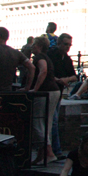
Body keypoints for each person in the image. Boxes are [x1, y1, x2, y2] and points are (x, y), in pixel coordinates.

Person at [28, 36, 61, 164]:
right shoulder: (47, 57)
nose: (32, 46)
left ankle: (49, 152)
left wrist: (35, 89)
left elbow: (43, 70)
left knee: (37, 122)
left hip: (45, 92)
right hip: (54, 91)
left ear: (40, 46)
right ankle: (42, 156)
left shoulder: (39, 58)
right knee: (46, 123)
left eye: (34, 44)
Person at [48, 34, 79, 159]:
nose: (67, 47)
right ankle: (56, 150)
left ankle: (54, 149)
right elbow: (47, 72)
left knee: (53, 121)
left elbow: (74, 76)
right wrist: (59, 80)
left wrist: (65, 79)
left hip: (58, 93)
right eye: (65, 44)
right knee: (53, 121)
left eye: (69, 45)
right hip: (50, 91)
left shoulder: (66, 59)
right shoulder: (50, 55)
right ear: (59, 43)